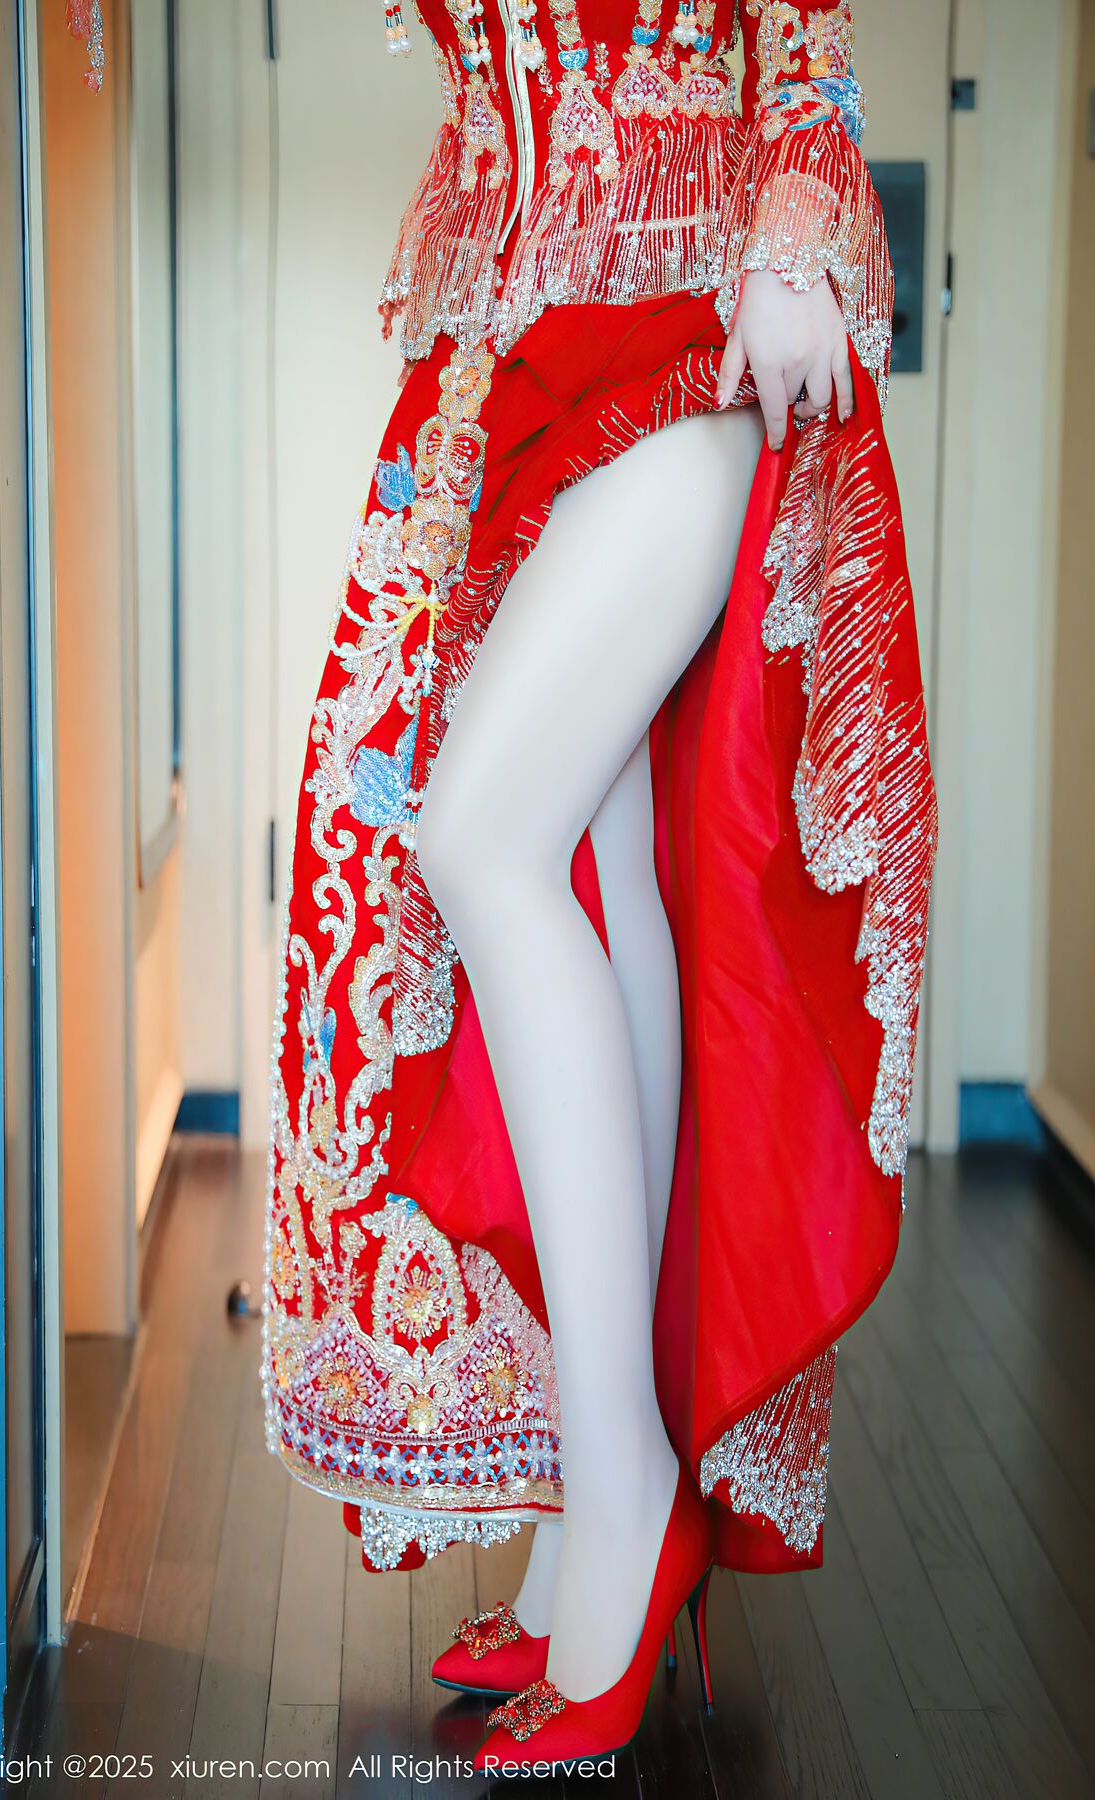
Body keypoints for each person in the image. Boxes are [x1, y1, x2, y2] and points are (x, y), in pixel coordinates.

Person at [262, 0, 937, 1772]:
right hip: (527, 356)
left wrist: (799, 223)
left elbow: (798, 33)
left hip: (690, 324)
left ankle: (628, 1494)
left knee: (480, 837)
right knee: (608, 871)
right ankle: (595, 1520)